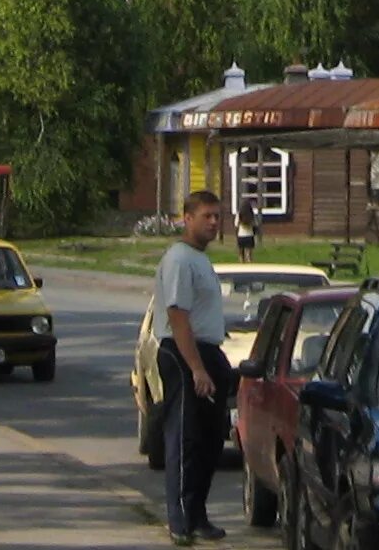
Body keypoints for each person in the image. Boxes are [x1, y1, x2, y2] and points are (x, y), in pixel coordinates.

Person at [155, 190, 235, 545]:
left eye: (218, 216)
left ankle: (198, 513)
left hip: (208, 351)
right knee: (185, 439)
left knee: (211, 440)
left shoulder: (201, 260)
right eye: (207, 216)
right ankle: (179, 520)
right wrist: (197, 369)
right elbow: (177, 317)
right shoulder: (179, 259)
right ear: (187, 218)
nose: (214, 223)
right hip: (182, 354)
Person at [235, 199, 258, 264]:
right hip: (249, 235)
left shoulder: (239, 214)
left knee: (241, 254)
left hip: (241, 235)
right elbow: (255, 225)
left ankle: (241, 265)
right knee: (249, 255)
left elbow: (236, 225)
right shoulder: (252, 215)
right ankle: (249, 267)